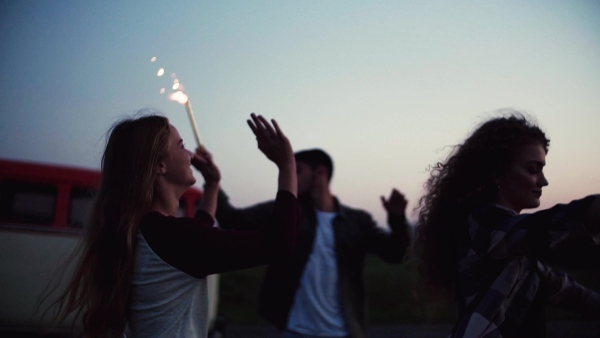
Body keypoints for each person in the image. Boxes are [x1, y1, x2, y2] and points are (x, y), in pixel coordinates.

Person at [49, 113, 299, 338]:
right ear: (160, 165)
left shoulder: (147, 230)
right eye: (181, 146)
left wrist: (212, 184)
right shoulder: (170, 236)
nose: (191, 155)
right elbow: (279, 243)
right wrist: (287, 165)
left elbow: (200, 230)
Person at [414, 113, 600, 337]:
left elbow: (563, 287)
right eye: (533, 169)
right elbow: (546, 227)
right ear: (497, 172)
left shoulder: (517, 252)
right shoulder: (482, 224)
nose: (543, 181)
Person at [215, 148, 411, 338]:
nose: (292, 177)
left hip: (343, 332)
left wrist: (397, 220)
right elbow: (232, 219)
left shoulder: (357, 221)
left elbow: (395, 254)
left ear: (320, 172)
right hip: (295, 331)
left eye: (297, 170)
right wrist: (213, 182)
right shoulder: (286, 213)